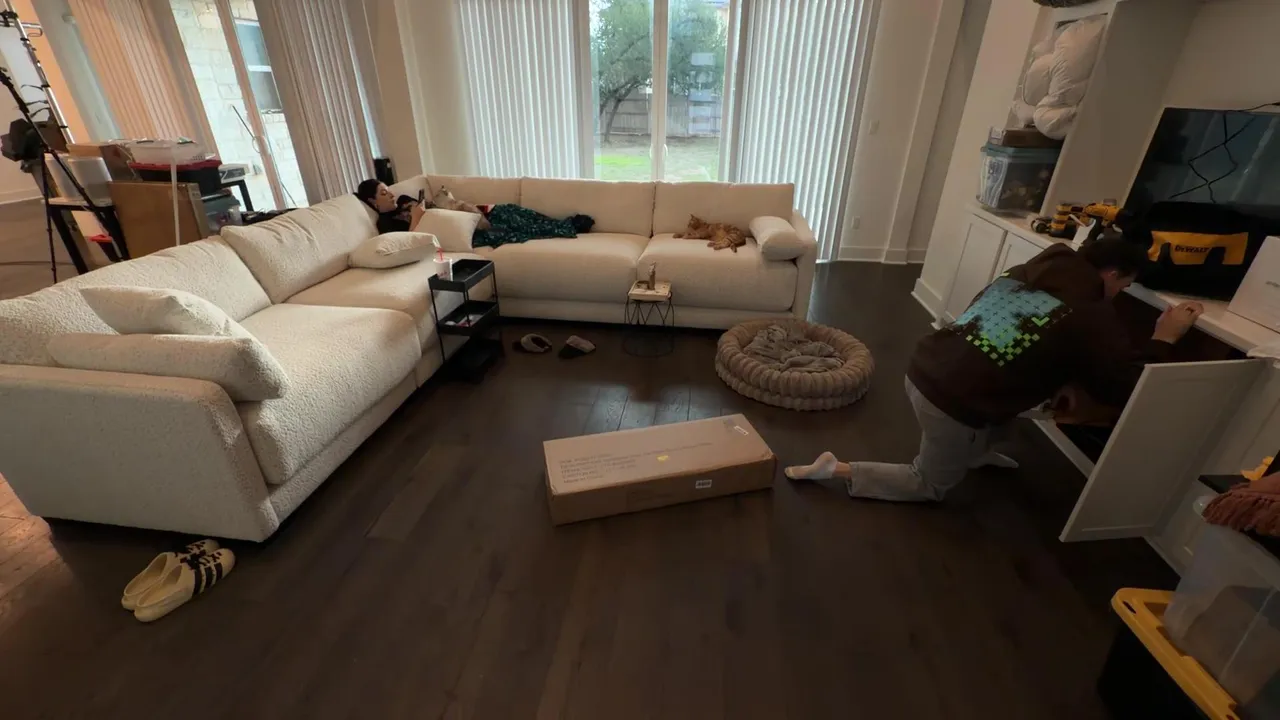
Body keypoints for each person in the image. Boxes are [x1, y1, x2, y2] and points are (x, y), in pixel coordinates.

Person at [785, 239, 1205, 502]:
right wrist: (1164, 338)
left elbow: (1027, 340)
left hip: (924, 367)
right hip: (951, 401)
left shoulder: (1028, 271)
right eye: (1123, 286)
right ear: (1112, 274)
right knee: (929, 484)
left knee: (1013, 399)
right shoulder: (1090, 311)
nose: (1119, 294)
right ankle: (837, 469)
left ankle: (975, 450)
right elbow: (1126, 382)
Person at [355, 179, 427, 233]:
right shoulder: (384, 224)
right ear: (373, 201)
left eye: (389, 190)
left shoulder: (403, 200)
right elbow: (410, 242)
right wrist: (415, 217)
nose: (392, 195)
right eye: (384, 193)